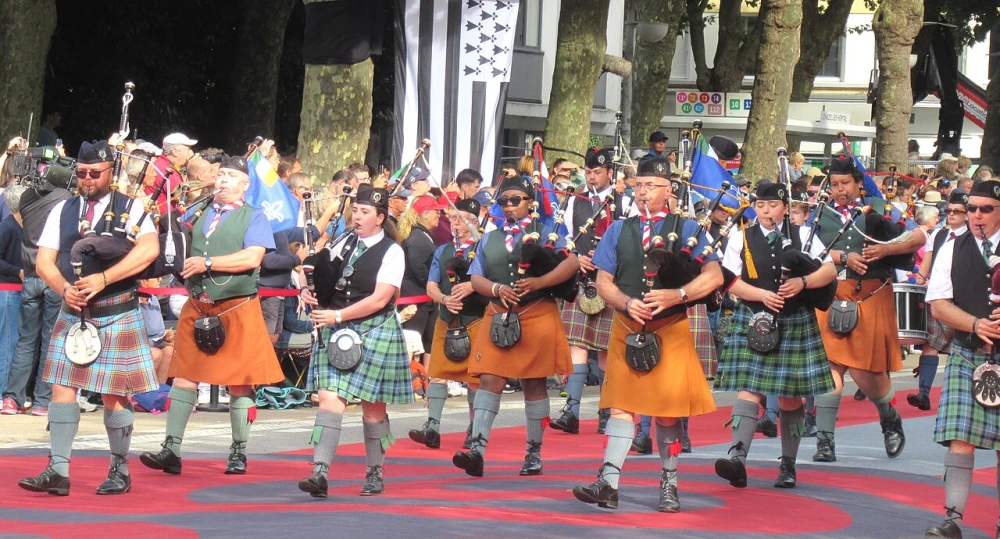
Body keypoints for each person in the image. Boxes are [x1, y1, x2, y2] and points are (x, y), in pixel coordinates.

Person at [572, 157, 720, 512]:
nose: (642, 192)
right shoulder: (617, 230)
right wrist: (624, 302)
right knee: (621, 408)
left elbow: (714, 275)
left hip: (669, 327)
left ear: (669, 191)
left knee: (667, 414)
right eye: (638, 185)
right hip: (627, 327)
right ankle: (608, 483)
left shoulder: (687, 229)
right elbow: (603, 280)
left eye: (650, 186)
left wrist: (678, 295)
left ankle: (669, 484)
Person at [18, 141, 160, 496]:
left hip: (118, 309)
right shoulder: (63, 209)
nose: (87, 179)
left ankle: (119, 469)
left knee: (115, 395)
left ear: (111, 173)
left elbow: (149, 250)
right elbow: (44, 261)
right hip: (75, 311)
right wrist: (65, 288)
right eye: (81, 173)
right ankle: (58, 469)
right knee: (62, 389)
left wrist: (105, 279)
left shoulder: (132, 208)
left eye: (95, 173)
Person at [140, 155, 283, 476]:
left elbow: (253, 258)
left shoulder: (254, 217)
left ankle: (238, 452)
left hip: (237, 307)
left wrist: (208, 264)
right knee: (185, 376)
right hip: (198, 304)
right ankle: (171, 449)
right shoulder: (198, 212)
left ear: (245, 185)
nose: (222, 181)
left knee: (239, 384)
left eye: (231, 176)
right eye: (220, 175)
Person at [713, 182, 837, 489]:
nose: (766, 211)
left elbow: (830, 271)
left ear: (785, 208)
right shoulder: (741, 237)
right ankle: (737, 460)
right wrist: (761, 295)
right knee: (748, 389)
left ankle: (788, 465)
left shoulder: (803, 235)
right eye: (760, 205)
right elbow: (728, 279)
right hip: (754, 315)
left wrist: (803, 283)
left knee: (790, 397)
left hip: (794, 319)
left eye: (772, 205)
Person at [451, 175, 577, 477]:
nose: (509, 206)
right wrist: (495, 290)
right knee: (489, 380)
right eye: (504, 201)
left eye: (515, 200)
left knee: (533, 384)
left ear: (530, 203)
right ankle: (477, 451)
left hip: (536, 313)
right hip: (498, 314)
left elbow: (572, 263)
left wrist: (540, 281)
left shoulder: (547, 232)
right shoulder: (489, 238)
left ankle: (534, 454)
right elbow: (475, 276)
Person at [297, 184, 413, 498]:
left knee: (373, 410)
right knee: (329, 399)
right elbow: (317, 274)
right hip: (337, 329)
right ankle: (319, 473)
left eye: (364, 212)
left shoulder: (392, 251)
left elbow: (380, 299)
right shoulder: (343, 242)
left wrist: (337, 316)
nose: (357, 217)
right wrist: (307, 291)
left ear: (380, 217)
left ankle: (375, 473)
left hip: (374, 330)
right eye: (355, 210)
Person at [811, 157, 925, 463]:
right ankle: (825, 441)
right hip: (831, 294)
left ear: (859, 183)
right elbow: (806, 247)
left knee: (867, 374)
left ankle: (890, 419)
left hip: (871, 295)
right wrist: (841, 256)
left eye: (845, 183)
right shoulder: (820, 211)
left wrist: (886, 249)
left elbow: (918, 236)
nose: (839, 190)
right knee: (828, 369)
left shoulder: (879, 206)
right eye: (834, 184)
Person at [923, 180, 1000, 538]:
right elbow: (938, 305)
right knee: (960, 438)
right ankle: (953, 519)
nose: (977, 216)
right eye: (972, 209)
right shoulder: (952, 247)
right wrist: (974, 323)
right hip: (968, 353)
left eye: (986, 209)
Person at [551, 148, 632, 437]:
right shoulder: (576, 199)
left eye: (597, 172)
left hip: (612, 283)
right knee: (577, 346)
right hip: (583, 280)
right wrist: (575, 256)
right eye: (588, 172)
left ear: (610, 172)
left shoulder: (626, 203)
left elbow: (633, 240)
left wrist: (609, 263)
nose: (592, 177)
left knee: (607, 354)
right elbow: (563, 235)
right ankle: (570, 410)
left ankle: (606, 412)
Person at [410, 198, 487, 450]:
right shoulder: (442, 250)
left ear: (474, 222)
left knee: (474, 378)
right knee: (438, 375)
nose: (454, 223)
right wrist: (443, 298)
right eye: (452, 218)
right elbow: (431, 284)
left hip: (476, 319)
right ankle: (432, 427)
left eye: (461, 218)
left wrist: (472, 284)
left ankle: (475, 428)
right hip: (447, 318)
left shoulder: (483, 246)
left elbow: (492, 280)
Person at [1, 157, 73, 416]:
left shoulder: (27, 199)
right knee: (50, 341)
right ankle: (43, 401)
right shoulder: (64, 198)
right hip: (52, 275)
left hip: (30, 276)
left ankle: (12, 399)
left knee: (25, 340)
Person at [909, 191, 968, 412]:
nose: (951, 215)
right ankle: (923, 393)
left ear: (967, 214)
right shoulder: (939, 235)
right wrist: (920, 283)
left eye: (957, 212)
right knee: (930, 344)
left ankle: (961, 398)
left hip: (964, 301)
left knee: (961, 348)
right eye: (949, 211)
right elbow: (925, 266)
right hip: (940, 298)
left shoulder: (972, 237)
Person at [399, 195, 448, 368]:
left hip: (425, 300)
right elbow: (417, 267)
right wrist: (433, 286)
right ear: (425, 214)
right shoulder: (417, 238)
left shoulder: (424, 235)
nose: (439, 215)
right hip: (415, 299)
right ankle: (411, 381)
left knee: (430, 341)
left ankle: (427, 379)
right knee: (413, 341)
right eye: (436, 211)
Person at [0, 185, 25, 396]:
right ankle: (2, 392)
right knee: (8, 343)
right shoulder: (7, 227)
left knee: (14, 343)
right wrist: (17, 271)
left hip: (18, 290)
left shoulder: (25, 226)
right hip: (7, 291)